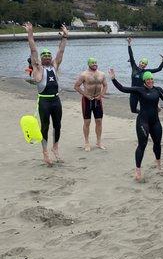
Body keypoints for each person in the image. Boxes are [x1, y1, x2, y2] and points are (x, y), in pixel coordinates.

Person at [109, 69, 163, 182]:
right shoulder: (139, 90)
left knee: (157, 144)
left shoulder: (158, 90)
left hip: (155, 121)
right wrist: (113, 79)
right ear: (144, 81)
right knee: (142, 145)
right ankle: (138, 170)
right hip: (143, 121)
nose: (150, 81)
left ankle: (158, 163)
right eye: (148, 79)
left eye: (151, 78)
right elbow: (122, 89)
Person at [24, 22, 68, 166]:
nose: (48, 57)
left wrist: (65, 37)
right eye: (45, 55)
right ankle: (45, 152)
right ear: (41, 59)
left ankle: (55, 147)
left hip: (56, 100)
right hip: (44, 101)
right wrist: (30, 33)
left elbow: (60, 52)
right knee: (45, 127)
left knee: (58, 125)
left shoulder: (55, 66)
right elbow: (33, 49)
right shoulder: (38, 68)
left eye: (49, 55)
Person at [74, 58, 108, 151]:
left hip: (98, 100)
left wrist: (101, 95)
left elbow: (105, 85)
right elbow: (76, 86)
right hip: (87, 100)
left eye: (96, 63)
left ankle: (98, 141)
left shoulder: (102, 74)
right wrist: (85, 95)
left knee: (99, 121)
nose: (95, 64)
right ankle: (87, 142)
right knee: (87, 122)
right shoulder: (84, 75)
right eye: (93, 63)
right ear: (88, 64)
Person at [127, 36, 163, 113]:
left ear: (146, 65)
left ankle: (151, 111)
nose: (143, 64)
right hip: (133, 92)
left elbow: (158, 69)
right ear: (139, 62)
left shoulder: (146, 72)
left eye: (145, 64)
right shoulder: (134, 67)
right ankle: (144, 113)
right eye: (142, 62)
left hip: (142, 92)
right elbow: (131, 55)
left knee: (146, 108)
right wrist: (129, 44)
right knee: (133, 110)